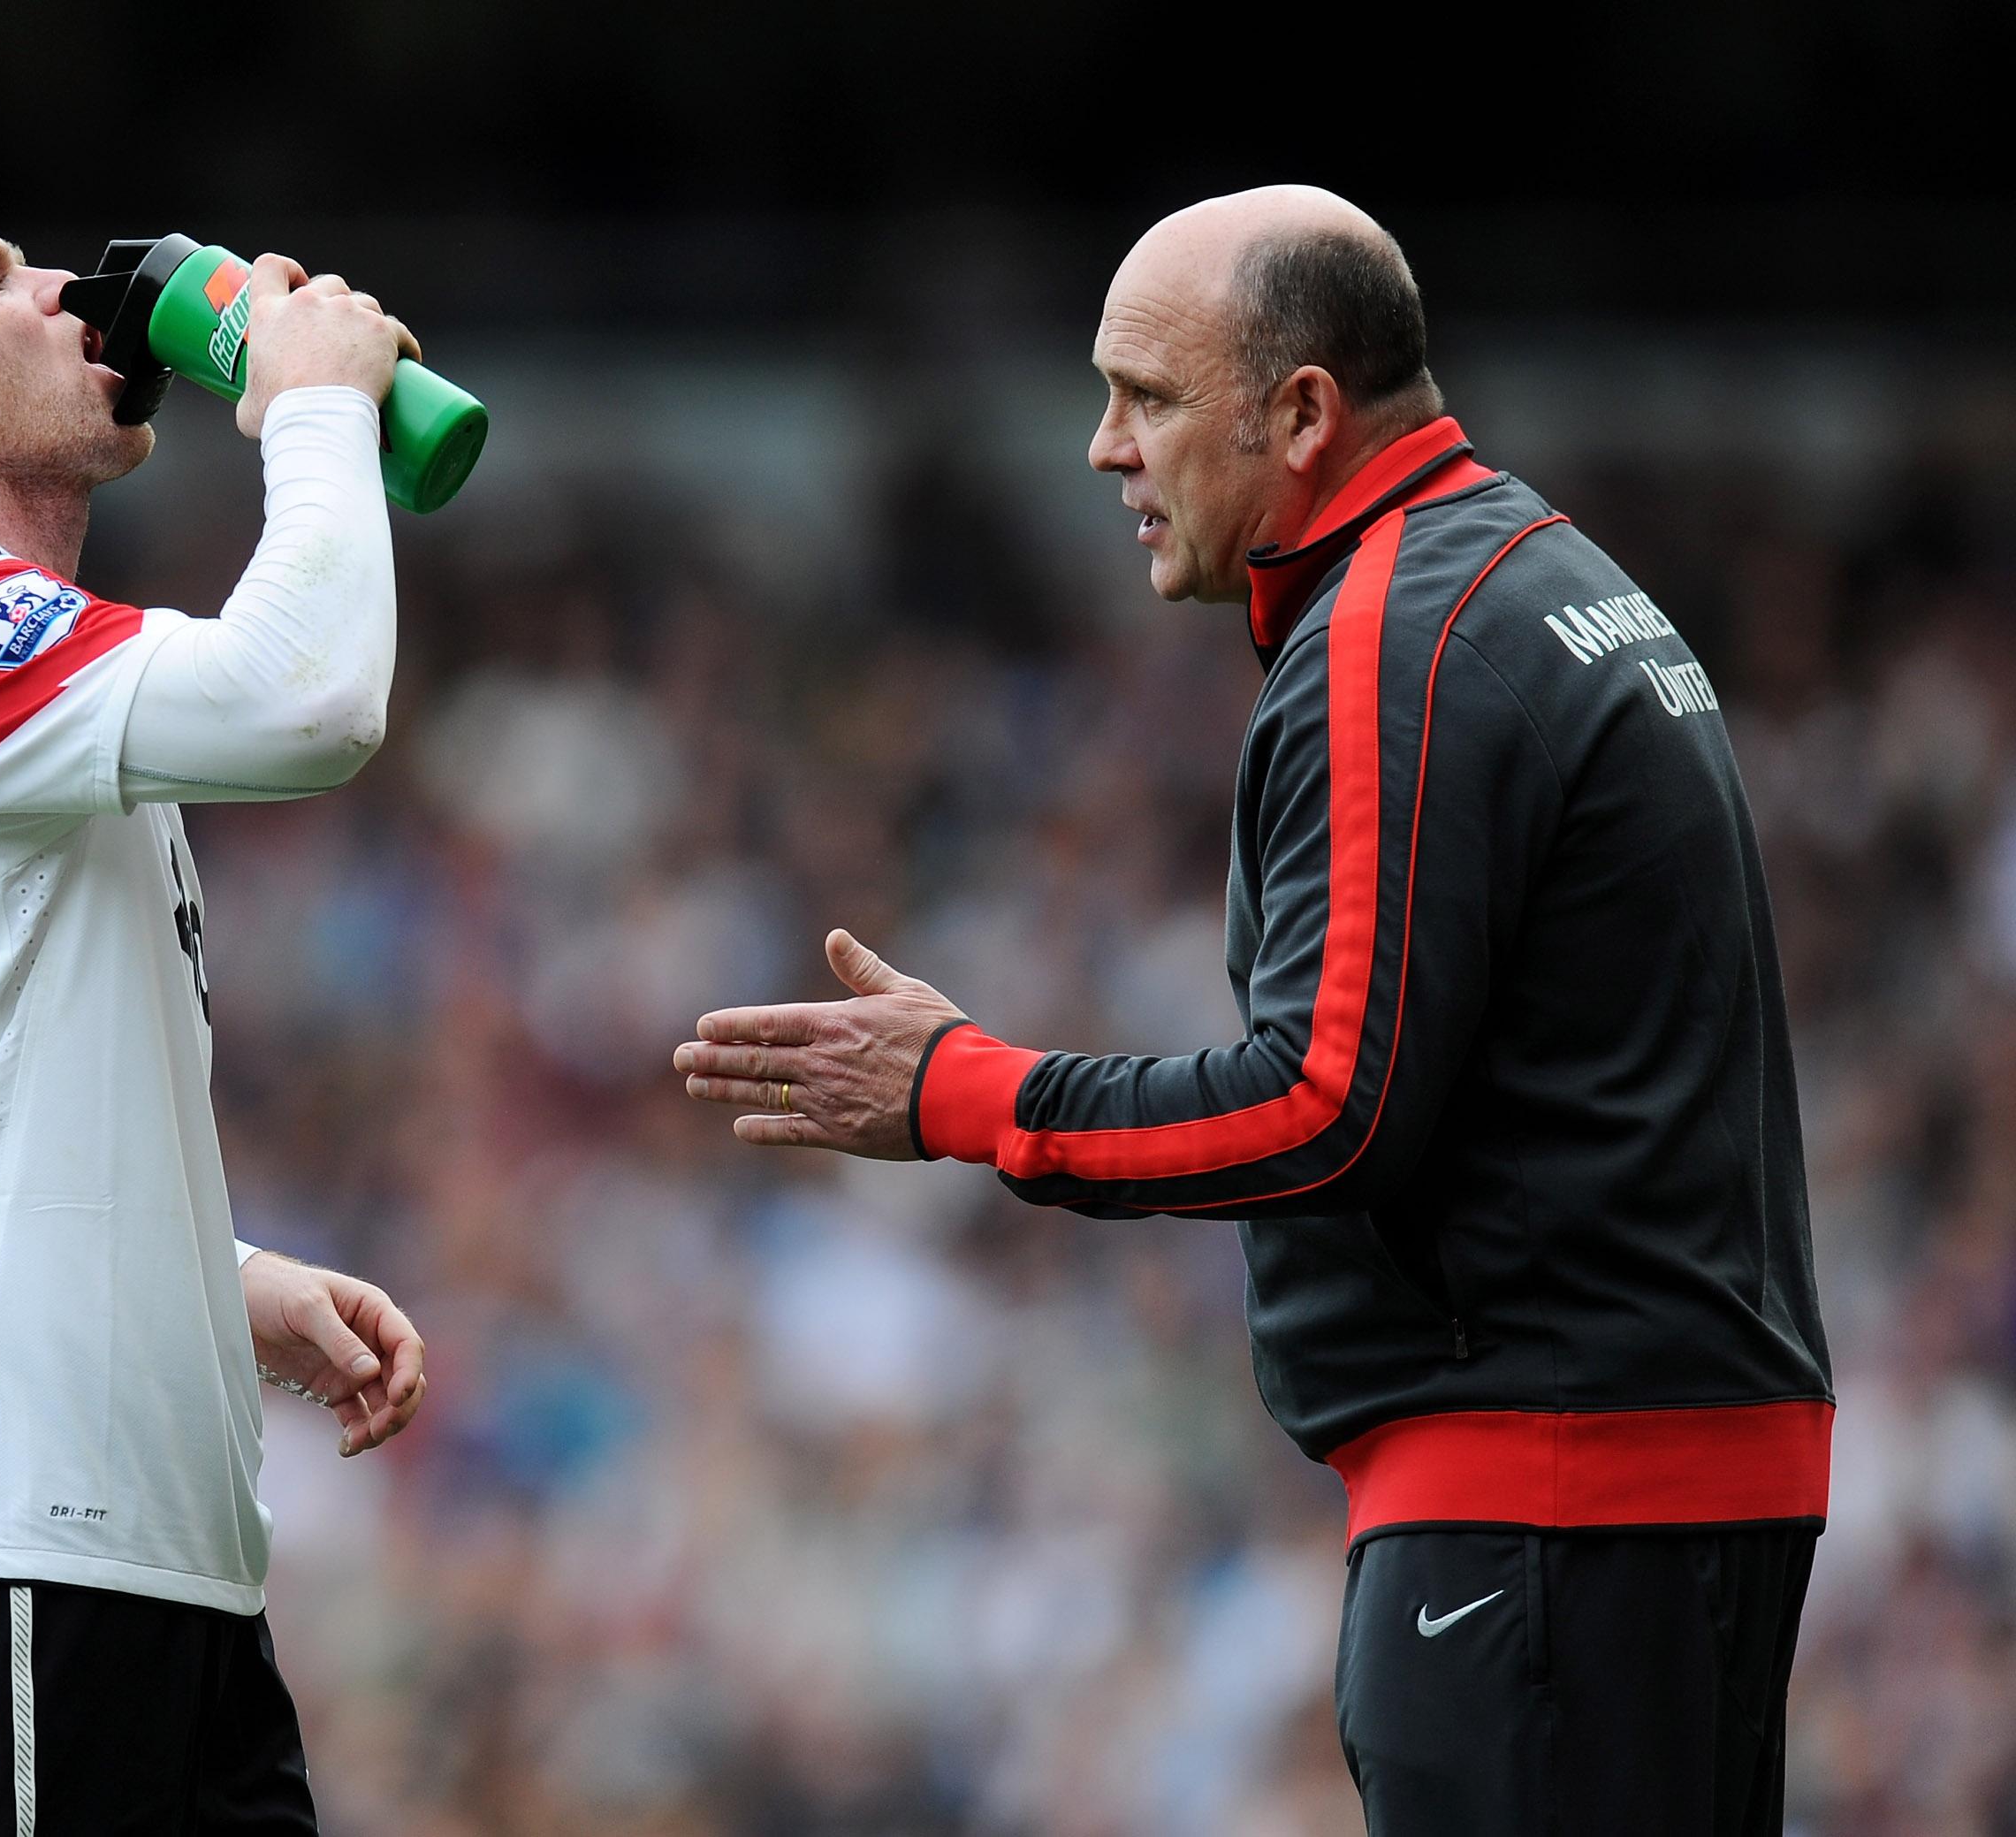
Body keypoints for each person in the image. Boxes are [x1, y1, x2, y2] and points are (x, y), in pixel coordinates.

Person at [674, 186, 1832, 1836]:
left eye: (1144, 396)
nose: (1100, 448)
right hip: (1666, 1477)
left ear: (1301, 413)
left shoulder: (1392, 634)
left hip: (1553, 1497)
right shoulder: (1540, 576)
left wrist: (966, 1091)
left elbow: (1329, 1103)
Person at [0, 200, 430, 1834]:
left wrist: (212, 1276)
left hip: (129, 1552)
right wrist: (315, 400)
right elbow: (314, 695)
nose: (59, 287)